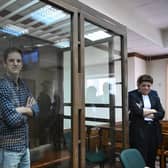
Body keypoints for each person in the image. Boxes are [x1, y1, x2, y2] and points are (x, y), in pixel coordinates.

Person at [0, 47, 39, 168]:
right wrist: (27, 110)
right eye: (11, 60)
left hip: (24, 147)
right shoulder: (2, 86)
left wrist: (21, 110)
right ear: (5, 64)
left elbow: (36, 110)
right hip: (9, 150)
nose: (15, 63)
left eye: (18, 61)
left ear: (22, 64)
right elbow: (12, 120)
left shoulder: (24, 85)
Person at [129, 74, 165, 168]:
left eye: (148, 86)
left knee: (152, 156)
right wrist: (153, 111)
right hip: (139, 130)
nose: (146, 88)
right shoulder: (132, 95)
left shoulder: (154, 94)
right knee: (140, 156)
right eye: (143, 85)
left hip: (153, 130)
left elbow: (161, 113)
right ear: (138, 85)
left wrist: (145, 112)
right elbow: (137, 111)